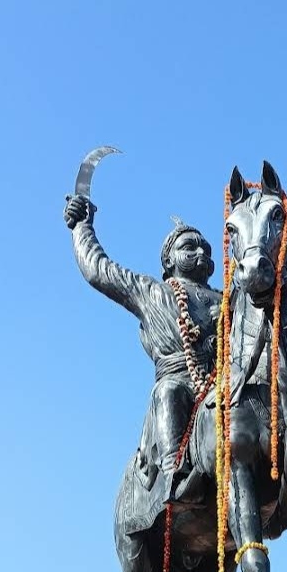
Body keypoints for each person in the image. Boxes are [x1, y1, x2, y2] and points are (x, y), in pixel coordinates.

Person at [64, 193, 221, 505]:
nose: (201, 252)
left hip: (222, 383)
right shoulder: (151, 291)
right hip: (178, 381)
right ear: (168, 262)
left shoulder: (229, 299)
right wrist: (82, 227)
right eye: (189, 247)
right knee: (168, 392)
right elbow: (99, 269)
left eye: (206, 248)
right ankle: (175, 474)